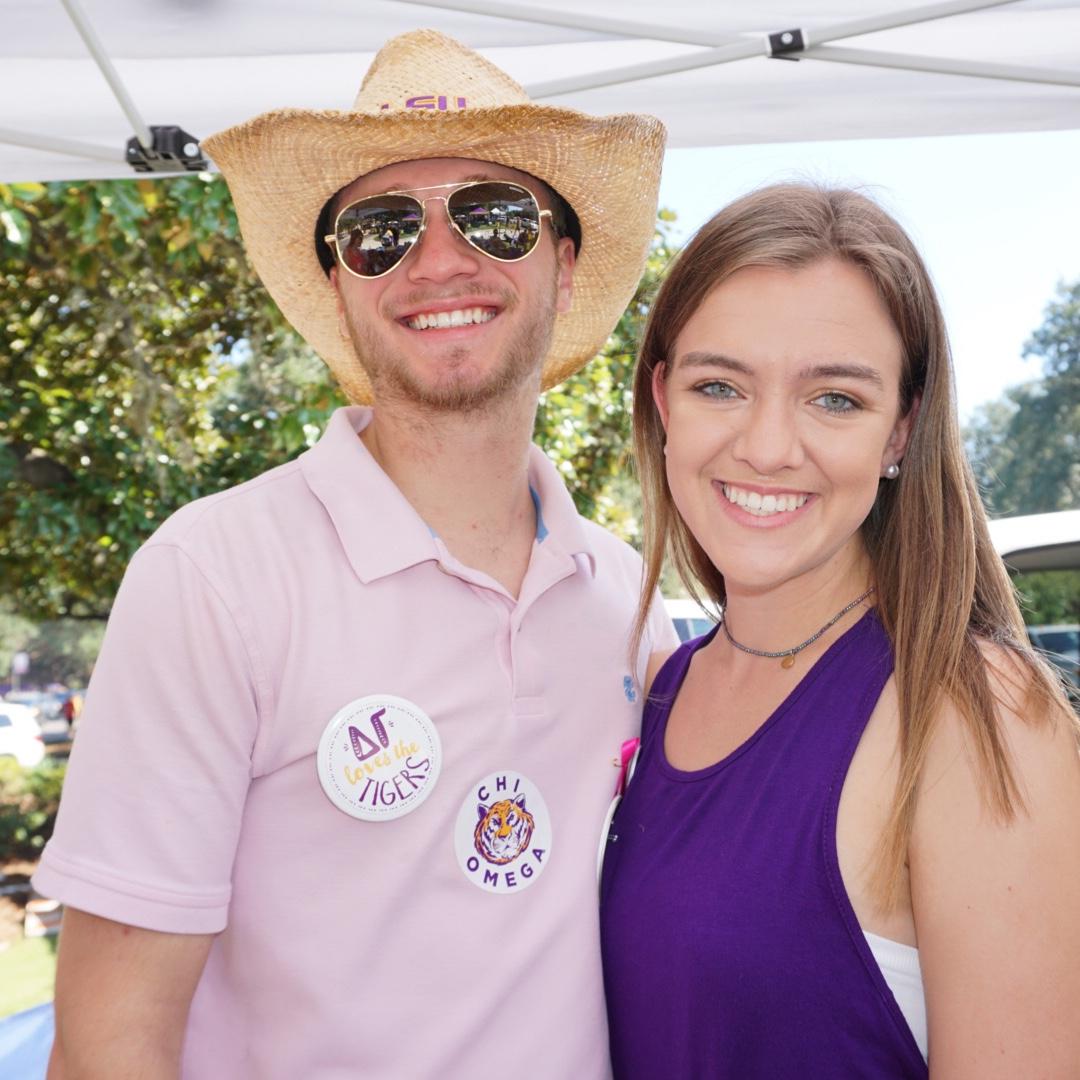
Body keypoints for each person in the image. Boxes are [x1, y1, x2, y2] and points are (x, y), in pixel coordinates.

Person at [35, 31, 674, 1078]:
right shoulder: (213, 576)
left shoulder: (627, 599)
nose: (438, 260)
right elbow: (113, 1040)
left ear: (563, 262)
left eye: (495, 215)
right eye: (380, 229)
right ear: (338, 281)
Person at [599, 184, 1080, 1078]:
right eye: (720, 385)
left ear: (901, 430)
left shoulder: (977, 716)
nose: (769, 446)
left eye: (835, 400)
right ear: (664, 401)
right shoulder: (660, 689)